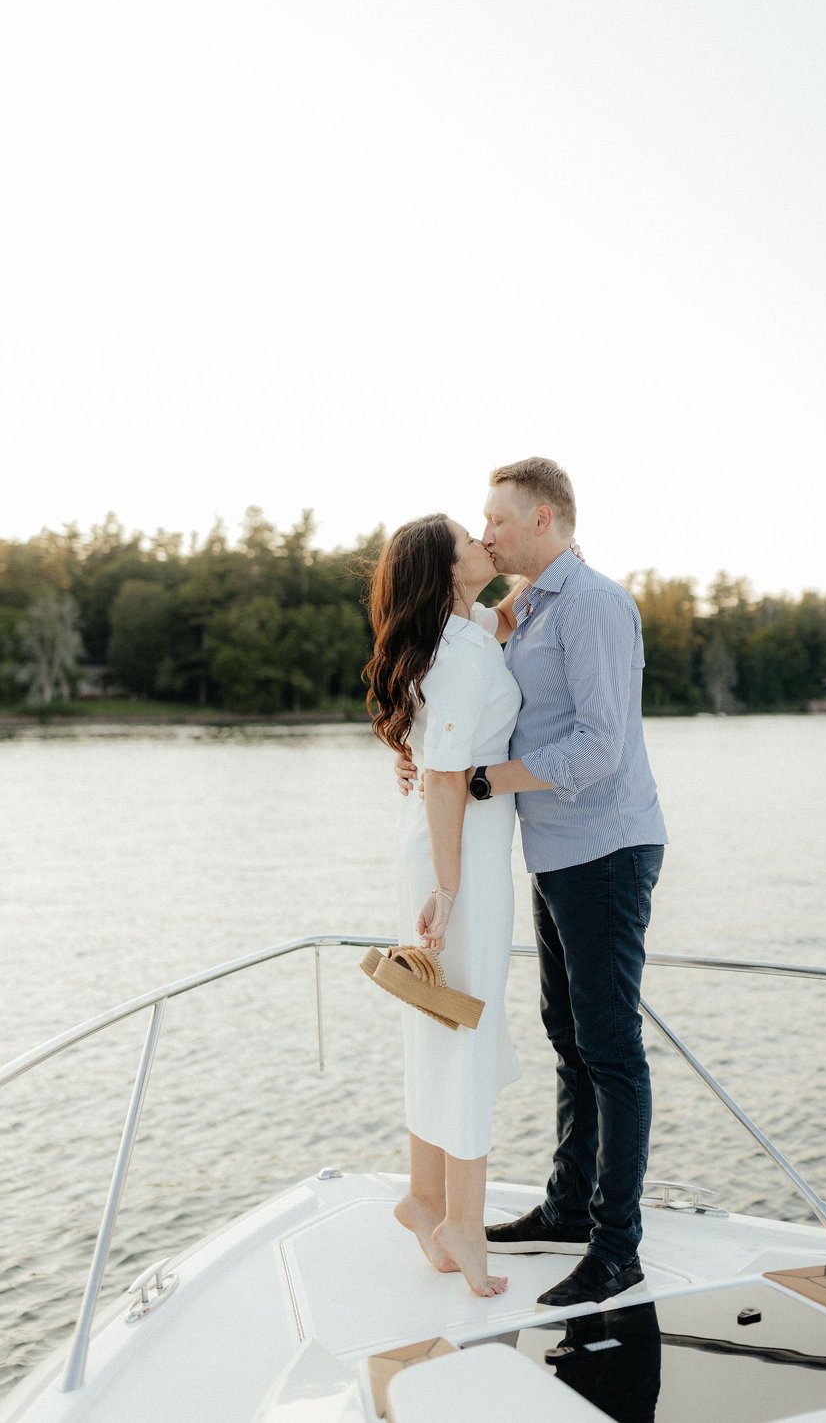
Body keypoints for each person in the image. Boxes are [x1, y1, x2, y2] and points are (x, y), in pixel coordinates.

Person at [396, 458, 667, 1308]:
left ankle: (616, 1245)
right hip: (550, 852)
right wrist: (422, 755)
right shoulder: (527, 609)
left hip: (606, 850)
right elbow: (452, 676)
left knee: (610, 1047)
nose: (487, 535)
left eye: (499, 521)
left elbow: (599, 748)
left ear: (543, 521)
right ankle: (566, 1208)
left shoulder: (593, 605)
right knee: (567, 1034)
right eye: (477, 527)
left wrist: (480, 780)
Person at [363, 512, 525, 1298]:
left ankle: (424, 1197)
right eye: (469, 538)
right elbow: (447, 778)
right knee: (463, 1020)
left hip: (444, 850)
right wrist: (450, 891)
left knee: (439, 1017)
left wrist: (533, 570)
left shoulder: (462, 634)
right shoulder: (458, 654)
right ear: (444, 567)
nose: (482, 543)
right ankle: (461, 1218)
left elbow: (506, 609)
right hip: (457, 858)